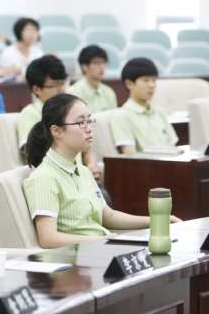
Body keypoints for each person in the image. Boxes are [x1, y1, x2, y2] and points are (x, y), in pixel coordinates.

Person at [22, 93, 181, 249]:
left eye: (90, 121)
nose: (90, 129)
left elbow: (108, 217)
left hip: (101, 249)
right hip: (77, 261)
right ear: (56, 131)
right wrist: (99, 240)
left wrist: (158, 220)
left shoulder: (83, 171)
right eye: (81, 123)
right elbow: (48, 239)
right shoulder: (44, 177)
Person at [17, 55, 101, 179]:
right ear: (37, 89)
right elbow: (32, 155)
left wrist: (91, 166)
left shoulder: (69, 112)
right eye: (55, 85)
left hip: (78, 176)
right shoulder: (30, 113)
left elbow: (87, 152)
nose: (61, 89)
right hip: (57, 177)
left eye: (63, 83)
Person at [110, 58, 178, 153]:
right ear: (129, 84)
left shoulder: (159, 113)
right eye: (145, 80)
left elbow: (174, 149)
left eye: (154, 80)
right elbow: (131, 157)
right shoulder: (122, 117)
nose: (151, 85)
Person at [67, 45, 118, 113]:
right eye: (97, 63)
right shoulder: (72, 93)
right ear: (84, 66)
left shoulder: (108, 92)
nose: (102, 67)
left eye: (104, 62)